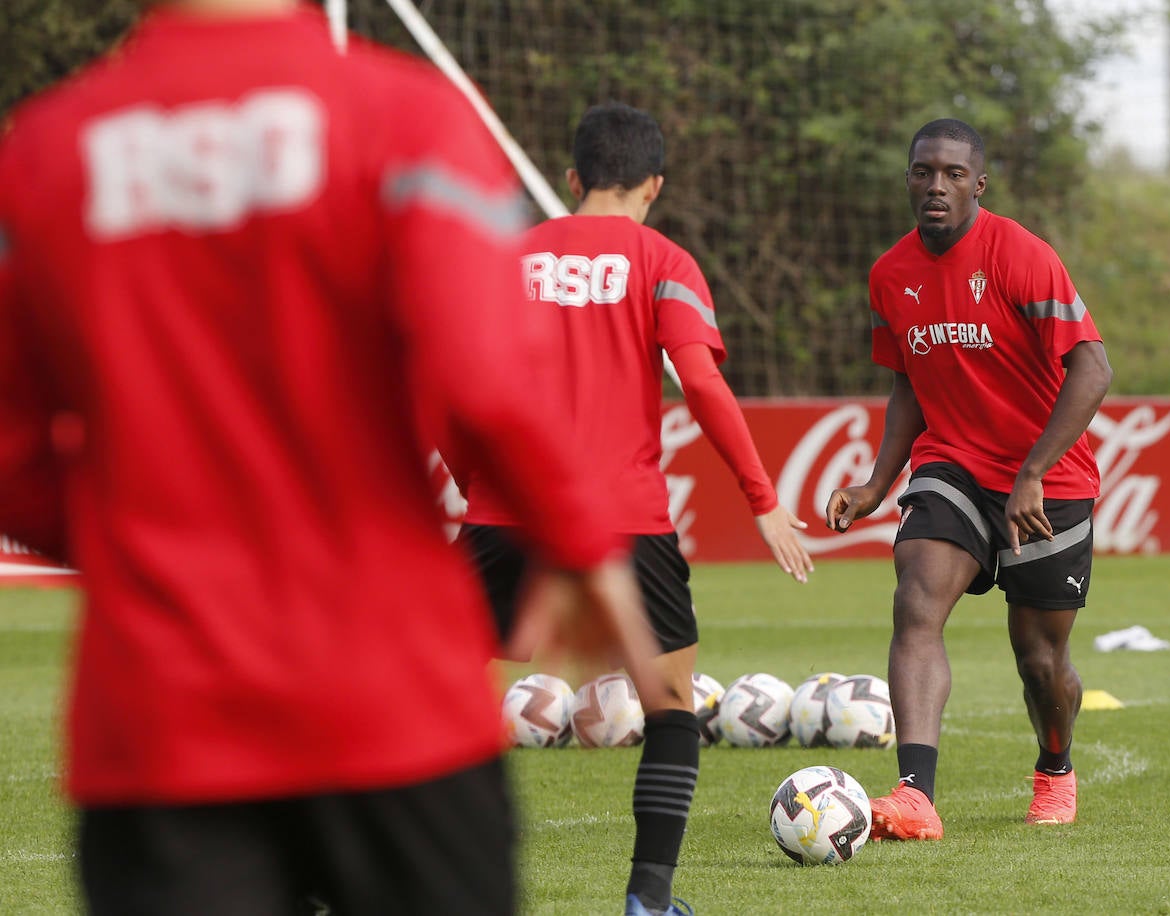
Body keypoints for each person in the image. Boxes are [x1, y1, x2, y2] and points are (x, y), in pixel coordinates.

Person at [0, 2, 669, 914]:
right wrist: (581, 542)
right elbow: (486, 377)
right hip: (391, 703)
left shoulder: (46, 151)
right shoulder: (408, 117)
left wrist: (144, 532)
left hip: (161, 721)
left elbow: (12, 457)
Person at [455, 102, 814, 916]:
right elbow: (704, 384)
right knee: (671, 708)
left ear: (575, 177)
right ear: (655, 183)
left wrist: (469, 474)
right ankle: (648, 899)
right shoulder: (664, 261)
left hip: (503, 513)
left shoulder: (505, 259)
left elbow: (448, 379)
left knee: (431, 700)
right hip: (626, 521)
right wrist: (762, 499)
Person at [826, 118, 1113, 840]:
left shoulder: (1020, 255)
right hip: (950, 464)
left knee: (1040, 659)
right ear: (909, 178)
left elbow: (1094, 368)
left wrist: (1033, 473)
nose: (936, 186)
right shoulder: (890, 275)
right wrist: (876, 481)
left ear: (978, 185)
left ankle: (1055, 764)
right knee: (915, 600)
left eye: (953, 174)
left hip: (1047, 477)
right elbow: (907, 387)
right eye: (924, 171)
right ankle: (915, 795)